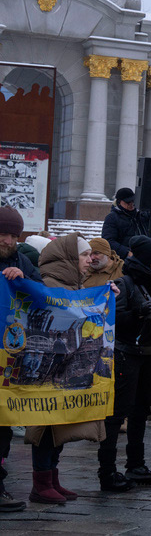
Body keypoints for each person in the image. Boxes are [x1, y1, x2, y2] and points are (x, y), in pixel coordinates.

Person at [30, 233, 107, 504]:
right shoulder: (50, 284)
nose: (91, 259)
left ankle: (52, 478)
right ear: (69, 259)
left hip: (68, 365)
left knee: (61, 423)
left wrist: (105, 299)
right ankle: (41, 481)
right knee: (46, 426)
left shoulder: (75, 286)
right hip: (50, 367)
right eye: (85, 255)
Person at [98, 235, 151, 491]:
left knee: (141, 411)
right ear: (148, 260)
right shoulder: (124, 283)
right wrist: (138, 314)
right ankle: (107, 471)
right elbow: (113, 322)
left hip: (149, 353)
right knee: (117, 415)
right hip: (126, 354)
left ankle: (136, 464)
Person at [0, 207, 37, 512]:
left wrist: (23, 279)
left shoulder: (22, 260)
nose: (8, 240)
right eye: (3, 233)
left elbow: (43, 295)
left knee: (3, 425)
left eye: (13, 235)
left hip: (10, 356)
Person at [101, 187, 151, 259]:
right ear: (119, 202)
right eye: (127, 202)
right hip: (125, 260)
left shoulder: (142, 213)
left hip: (144, 257)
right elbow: (108, 241)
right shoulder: (112, 218)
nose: (131, 204)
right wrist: (127, 252)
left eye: (132, 201)